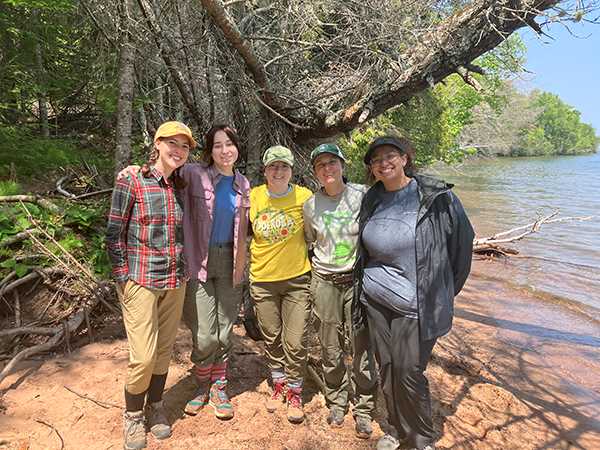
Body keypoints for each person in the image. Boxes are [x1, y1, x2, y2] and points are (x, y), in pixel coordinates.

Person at [117, 124, 251, 421]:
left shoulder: (244, 184)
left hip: (232, 262)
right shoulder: (193, 174)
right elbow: (160, 171)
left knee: (225, 330)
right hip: (197, 260)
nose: (224, 150)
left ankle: (218, 385)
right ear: (208, 150)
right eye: (217, 145)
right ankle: (201, 383)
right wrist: (133, 169)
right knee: (204, 334)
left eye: (229, 144)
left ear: (237, 147)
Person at [353, 135, 474, 450]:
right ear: (372, 169)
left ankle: (420, 440)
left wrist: (442, 292)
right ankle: (395, 429)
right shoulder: (373, 199)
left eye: (390, 155)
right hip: (375, 300)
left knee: (409, 370)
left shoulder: (436, 198)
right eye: (376, 160)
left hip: (415, 304)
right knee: (388, 367)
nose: (383, 163)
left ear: (405, 158)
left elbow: (462, 248)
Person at [107, 121, 194, 450]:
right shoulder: (132, 180)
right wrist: (123, 278)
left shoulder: (181, 184)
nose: (178, 150)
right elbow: (114, 234)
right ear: (156, 144)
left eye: (184, 146)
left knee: (162, 351)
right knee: (142, 356)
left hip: (175, 280)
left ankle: (155, 405)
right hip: (140, 280)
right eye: (171, 143)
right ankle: (132, 416)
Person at [302, 143, 378, 439]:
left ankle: (364, 408)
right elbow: (311, 240)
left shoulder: (362, 195)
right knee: (330, 346)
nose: (327, 169)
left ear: (343, 165)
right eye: (321, 165)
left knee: (361, 347)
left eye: (332, 162)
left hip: (357, 281)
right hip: (324, 281)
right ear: (315, 173)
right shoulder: (311, 205)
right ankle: (337, 400)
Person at [248, 145, 313, 424]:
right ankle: (278, 385)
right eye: (273, 166)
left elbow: (315, 232)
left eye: (284, 166)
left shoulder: (304, 196)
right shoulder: (253, 196)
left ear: (291, 170)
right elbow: (242, 234)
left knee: (295, 340)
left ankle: (295, 390)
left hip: (297, 279)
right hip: (262, 280)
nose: (278, 171)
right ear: (265, 170)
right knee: (272, 337)